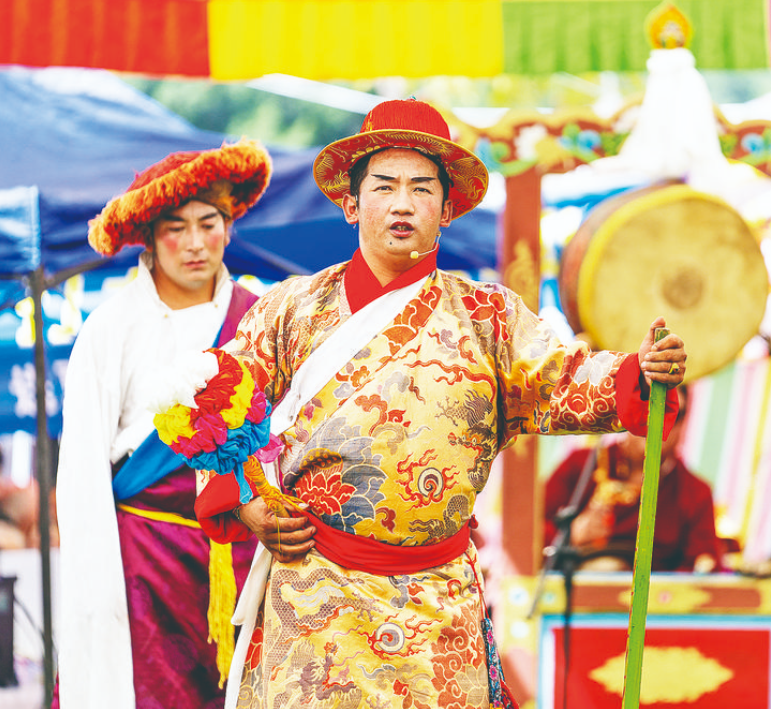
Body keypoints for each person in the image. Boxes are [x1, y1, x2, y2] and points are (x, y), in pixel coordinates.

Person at [182, 98, 687, 709]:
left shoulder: (490, 317)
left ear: (446, 208)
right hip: (315, 598)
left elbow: (566, 379)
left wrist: (639, 373)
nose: (402, 204)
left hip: (438, 604)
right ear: (351, 203)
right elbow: (215, 404)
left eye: (421, 188)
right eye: (384, 186)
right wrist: (247, 502)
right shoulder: (290, 309)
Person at [55, 140, 272, 708]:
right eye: (176, 228)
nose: (195, 243)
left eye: (209, 223)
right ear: (149, 237)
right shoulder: (110, 329)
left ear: (229, 226)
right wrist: (91, 589)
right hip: (145, 561)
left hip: (248, 553)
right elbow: (81, 472)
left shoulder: (262, 319)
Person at [542, 384, 725, 573]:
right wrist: (571, 534)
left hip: (654, 587)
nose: (656, 422)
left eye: (670, 413)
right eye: (646, 408)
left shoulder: (695, 492)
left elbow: (703, 567)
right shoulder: (581, 466)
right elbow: (529, 532)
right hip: (577, 583)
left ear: (682, 425)